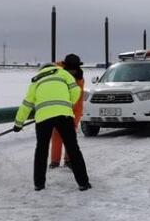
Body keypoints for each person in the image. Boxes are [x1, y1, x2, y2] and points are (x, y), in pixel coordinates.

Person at [13, 63, 91, 191]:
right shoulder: (63, 73)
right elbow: (76, 90)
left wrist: (18, 123)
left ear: (42, 70)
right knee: (73, 148)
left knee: (41, 150)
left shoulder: (36, 79)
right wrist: (67, 104)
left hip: (43, 117)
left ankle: (39, 184)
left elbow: (27, 104)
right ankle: (83, 183)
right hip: (64, 115)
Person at [49, 54, 85, 169]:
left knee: (70, 136)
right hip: (58, 108)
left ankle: (69, 160)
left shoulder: (79, 78)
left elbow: (78, 98)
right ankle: (55, 161)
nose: (73, 71)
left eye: (75, 69)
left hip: (74, 110)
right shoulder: (55, 73)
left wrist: (72, 112)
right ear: (65, 66)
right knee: (57, 134)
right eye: (71, 68)